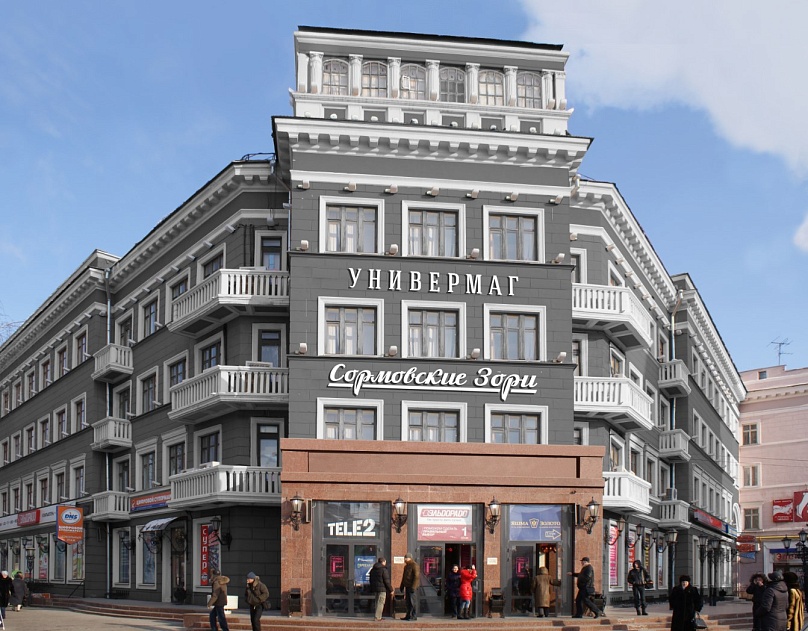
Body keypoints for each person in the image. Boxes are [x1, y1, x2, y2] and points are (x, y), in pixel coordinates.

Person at [369, 557, 393, 622]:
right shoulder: (383, 570)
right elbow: (386, 581)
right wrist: (391, 590)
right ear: (383, 562)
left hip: (375, 589)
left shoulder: (373, 570)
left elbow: (371, 580)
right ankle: (377, 617)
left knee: (377, 602)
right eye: (385, 562)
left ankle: (378, 616)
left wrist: (372, 588)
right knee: (381, 603)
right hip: (382, 589)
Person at [400, 553, 420, 621]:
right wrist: (402, 586)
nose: (405, 559)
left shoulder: (414, 565)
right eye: (405, 558)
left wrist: (413, 587)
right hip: (407, 586)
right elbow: (404, 577)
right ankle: (408, 615)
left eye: (406, 558)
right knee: (408, 602)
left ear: (410, 558)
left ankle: (414, 616)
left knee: (412, 602)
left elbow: (416, 577)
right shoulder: (406, 566)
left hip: (412, 587)